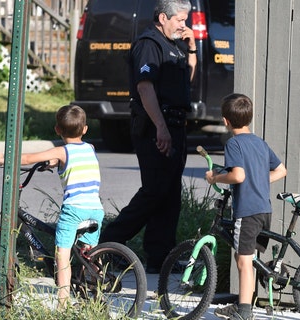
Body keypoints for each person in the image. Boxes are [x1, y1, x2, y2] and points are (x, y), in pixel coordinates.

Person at [99, 0, 197, 274]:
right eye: (180, 19)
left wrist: (192, 48)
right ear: (163, 17)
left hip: (175, 125)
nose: (184, 24)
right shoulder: (149, 44)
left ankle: (161, 257)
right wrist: (161, 128)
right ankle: (109, 243)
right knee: (154, 191)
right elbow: (145, 88)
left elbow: (185, 82)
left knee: (170, 194)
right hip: (157, 126)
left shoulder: (174, 46)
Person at [0, 104, 104, 308]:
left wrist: (2, 159)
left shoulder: (61, 151)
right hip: (95, 208)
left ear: (57, 130)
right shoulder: (90, 148)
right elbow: (72, 157)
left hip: (74, 210)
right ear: (85, 129)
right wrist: (54, 162)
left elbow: (25, 159)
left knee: (62, 254)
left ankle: (63, 304)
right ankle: (98, 286)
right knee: (89, 250)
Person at [205, 93, 288, 320]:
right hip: (264, 210)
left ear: (225, 121)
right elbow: (282, 170)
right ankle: (243, 306)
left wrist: (214, 178)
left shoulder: (233, 143)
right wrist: (260, 179)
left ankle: (243, 311)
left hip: (248, 210)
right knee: (246, 259)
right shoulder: (259, 142)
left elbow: (238, 175)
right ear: (249, 118)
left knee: (243, 261)